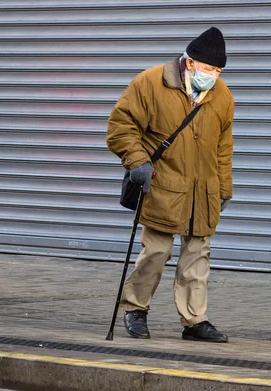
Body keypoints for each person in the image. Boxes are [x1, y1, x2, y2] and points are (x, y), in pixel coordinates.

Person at [106, 27, 234, 343]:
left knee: (197, 258)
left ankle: (195, 321)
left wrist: (223, 189)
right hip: (162, 186)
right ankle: (135, 308)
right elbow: (120, 128)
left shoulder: (222, 96)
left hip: (203, 192)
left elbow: (223, 148)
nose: (213, 76)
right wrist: (137, 162)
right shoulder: (149, 83)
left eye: (218, 71)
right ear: (189, 62)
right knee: (156, 252)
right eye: (208, 69)